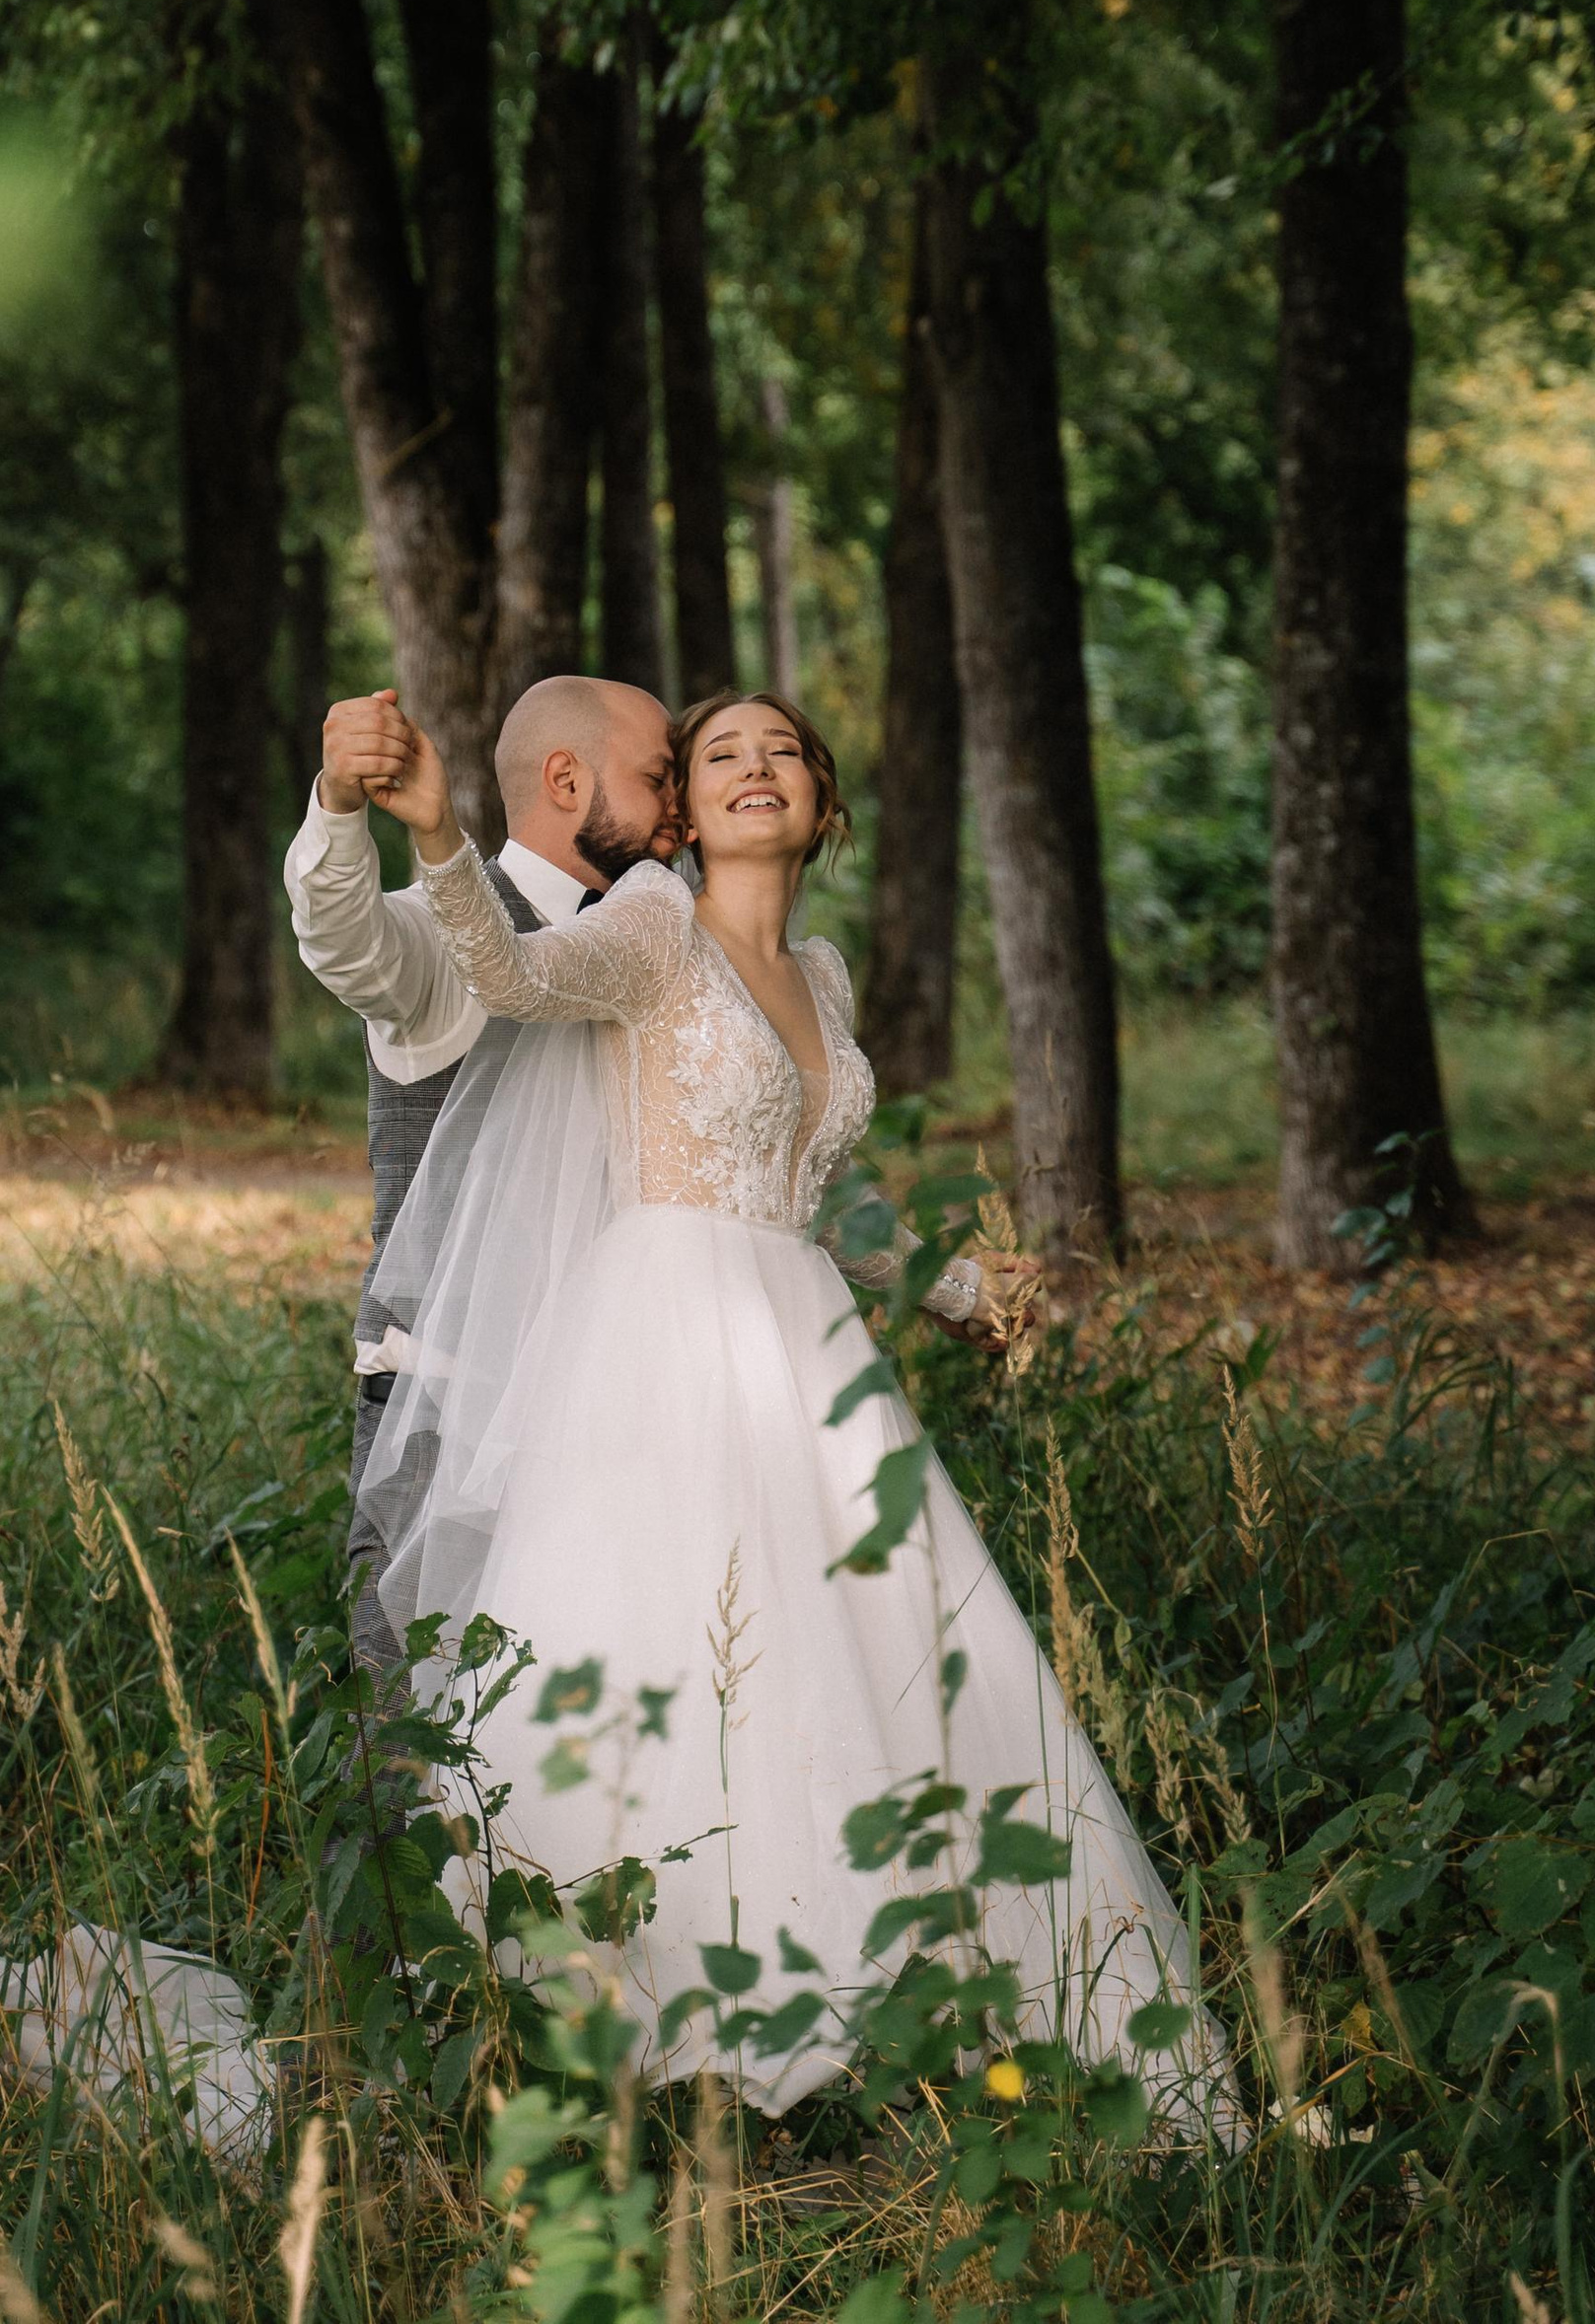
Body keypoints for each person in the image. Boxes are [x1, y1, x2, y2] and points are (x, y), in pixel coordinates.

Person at [353, 685, 1241, 2131]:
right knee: (681, 1672)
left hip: (807, 1347)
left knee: (862, 1672)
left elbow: (809, 1192)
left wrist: (954, 1283)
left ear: (825, 809)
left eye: (786, 753)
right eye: (719, 756)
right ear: (686, 812)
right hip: (663, 1343)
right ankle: (648, 2053)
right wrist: (440, 833)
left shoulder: (821, 978)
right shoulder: (650, 932)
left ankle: (890, 2033)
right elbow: (508, 985)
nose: (756, 768)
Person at [283, 672, 677, 1659]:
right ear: (566, 779)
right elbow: (344, 941)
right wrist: (338, 802)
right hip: (441, 1413)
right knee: (410, 1731)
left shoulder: (674, 950)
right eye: (657, 777)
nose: (682, 808)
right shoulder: (435, 933)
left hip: (621, 1417)